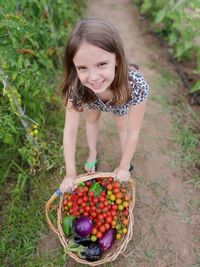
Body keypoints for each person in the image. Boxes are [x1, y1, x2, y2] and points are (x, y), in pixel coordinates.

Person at [60, 18, 149, 193]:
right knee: (92, 119)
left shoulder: (135, 86)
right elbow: (69, 131)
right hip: (91, 97)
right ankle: (93, 153)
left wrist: (123, 167)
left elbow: (134, 131)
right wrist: (70, 173)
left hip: (120, 98)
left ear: (116, 58)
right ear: (74, 67)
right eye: (83, 68)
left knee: (122, 125)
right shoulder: (78, 86)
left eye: (101, 64)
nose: (93, 77)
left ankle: (126, 161)